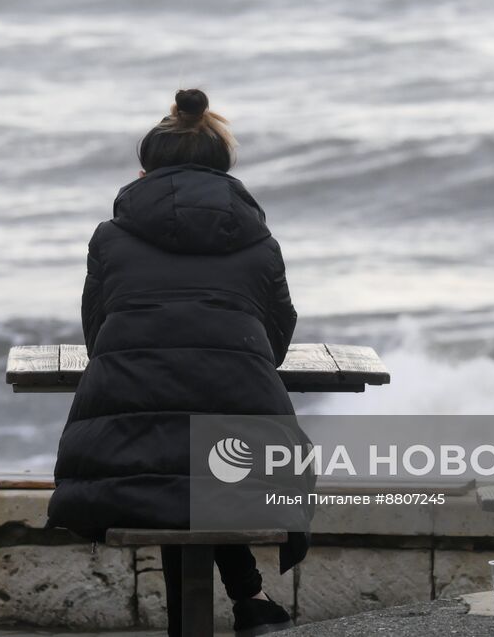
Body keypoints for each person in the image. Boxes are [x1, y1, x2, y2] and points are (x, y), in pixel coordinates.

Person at [47, 89, 307, 637]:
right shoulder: (260, 243)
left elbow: (98, 339)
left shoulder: (111, 239)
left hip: (118, 459)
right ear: (225, 168)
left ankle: (249, 600)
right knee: (202, 463)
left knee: (174, 463)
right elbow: (277, 341)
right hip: (249, 459)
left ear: (145, 170)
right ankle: (250, 599)